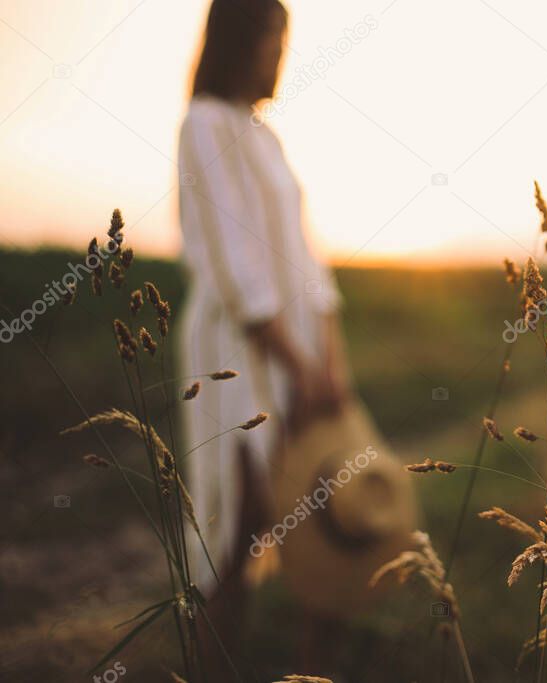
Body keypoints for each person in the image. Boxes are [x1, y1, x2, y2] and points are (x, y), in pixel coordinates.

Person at [176, 0, 351, 675]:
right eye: (274, 39)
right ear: (239, 42)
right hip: (236, 359)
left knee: (317, 527)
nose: (281, 54)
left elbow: (308, 260)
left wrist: (327, 356)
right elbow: (236, 267)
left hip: (297, 357)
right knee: (237, 530)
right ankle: (210, 667)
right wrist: (298, 361)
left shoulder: (265, 138)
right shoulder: (204, 125)